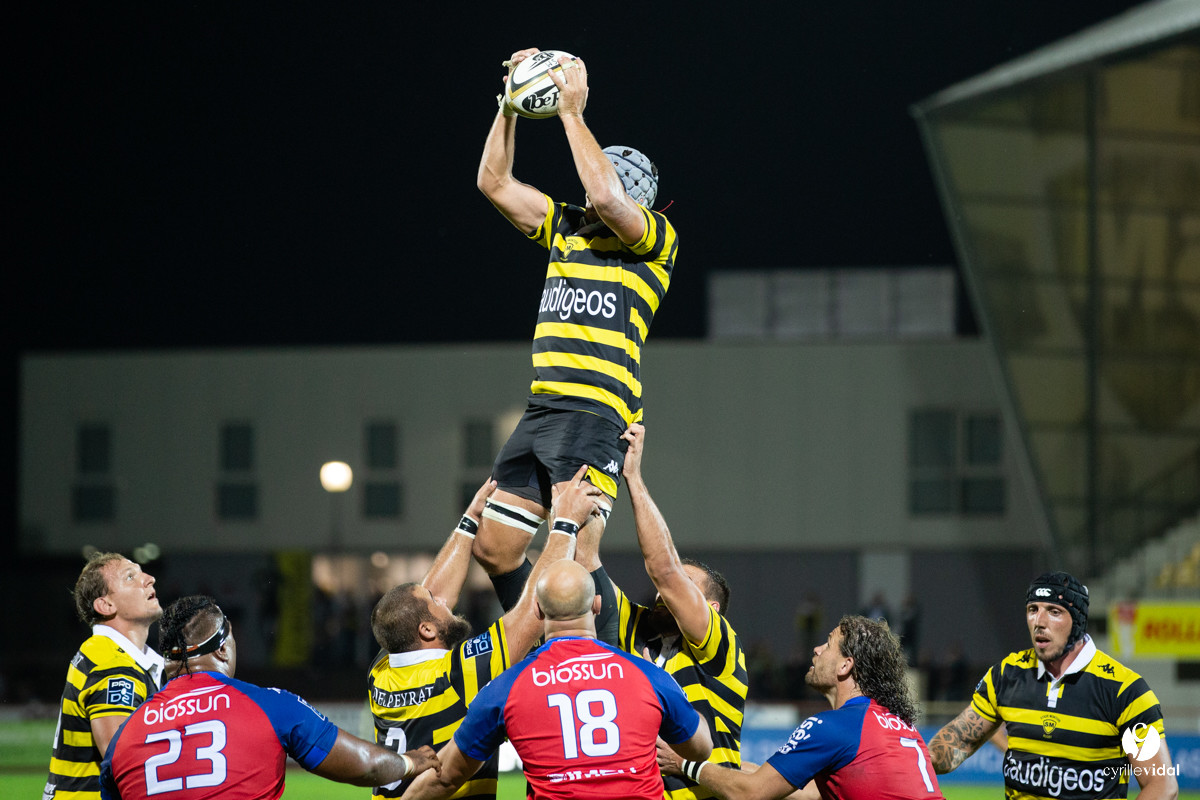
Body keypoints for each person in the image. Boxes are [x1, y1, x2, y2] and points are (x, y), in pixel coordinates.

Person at [471, 45, 678, 617]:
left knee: (576, 561)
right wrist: (510, 103)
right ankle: (533, 636)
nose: (589, 183)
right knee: (494, 548)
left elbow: (609, 197)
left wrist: (570, 112)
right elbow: (493, 181)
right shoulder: (565, 226)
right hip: (542, 408)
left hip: (596, 412)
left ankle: (606, 652)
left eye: (598, 173)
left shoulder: (654, 240)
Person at [368, 470, 602, 800]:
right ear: (426, 630)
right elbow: (531, 611)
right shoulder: (457, 674)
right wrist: (565, 523)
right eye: (436, 603)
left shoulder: (381, 673)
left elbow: (419, 603)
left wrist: (468, 522)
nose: (444, 600)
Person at [402, 559, 712, 800]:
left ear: (537, 609)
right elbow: (700, 748)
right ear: (596, 604)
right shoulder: (648, 675)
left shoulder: (505, 688)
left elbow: (446, 777)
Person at [99, 596, 439, 799]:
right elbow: (368, 766)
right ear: (222, 648)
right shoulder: (270, 705)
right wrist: (411, 761)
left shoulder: (125, 736)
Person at [576, 423, 747, 800]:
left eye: (687, 585)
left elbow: (664, 571)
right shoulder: (636, 625)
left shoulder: (720, 646)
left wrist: (633, 478)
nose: (663, 592)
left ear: (712, 609)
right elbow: (585, 558)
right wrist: (599, 473)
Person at [928, 571, 1178, 799]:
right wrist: (914, 759)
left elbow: (1162, 786)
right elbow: (956, 744)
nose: (1039, 621)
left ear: (1077, 621)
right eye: (1033, 609)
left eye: (1054, 611)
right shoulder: (1006, 675)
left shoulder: (1125, 690)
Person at [658, 616, 946, 800]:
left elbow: (751, 793)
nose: (817, 649)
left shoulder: (832, 727)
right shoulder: (899, 725)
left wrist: (684, 764)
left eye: (828, 644)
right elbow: (810, 793)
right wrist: (734, 767)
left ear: (845, 666)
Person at [44, 553, 165, 800]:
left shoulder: (116, 655)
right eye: (130, 577)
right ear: (106, 605)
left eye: (141, 571)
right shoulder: (112, 663)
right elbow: (123, 762)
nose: (149, 578)